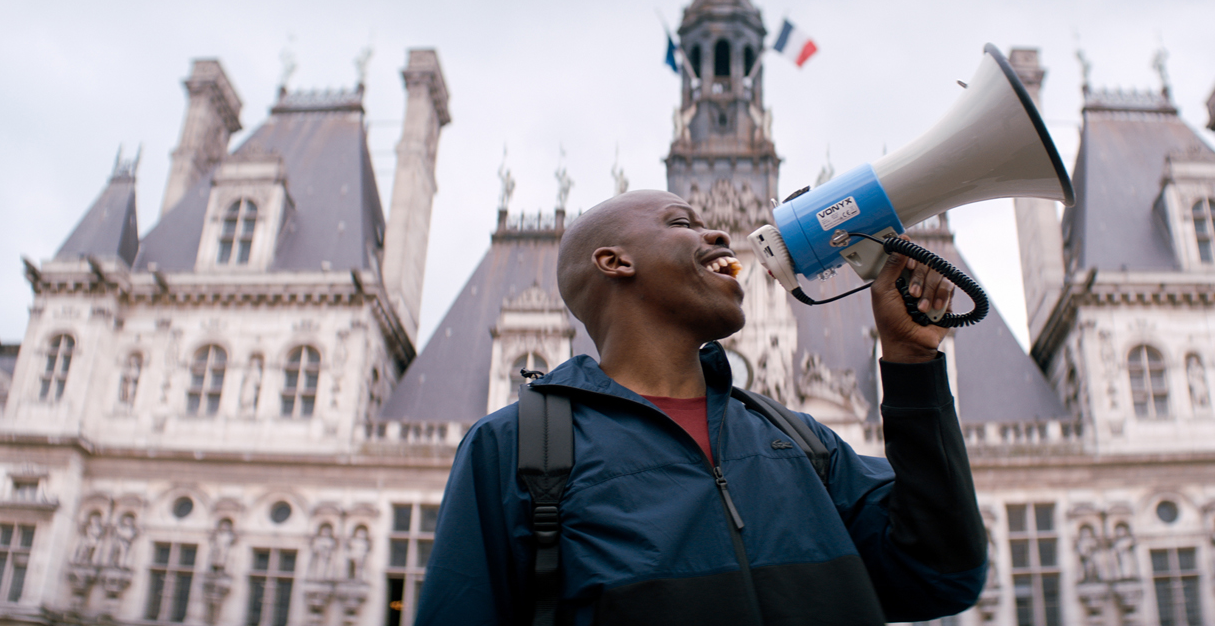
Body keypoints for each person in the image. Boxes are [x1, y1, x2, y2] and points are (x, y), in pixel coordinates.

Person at [418, 190, 988, 625]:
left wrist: (912, 365)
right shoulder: (519, 448)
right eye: (682, 223)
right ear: (615, 262)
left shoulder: (798, 438)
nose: (720, 233)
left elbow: (943, 573)